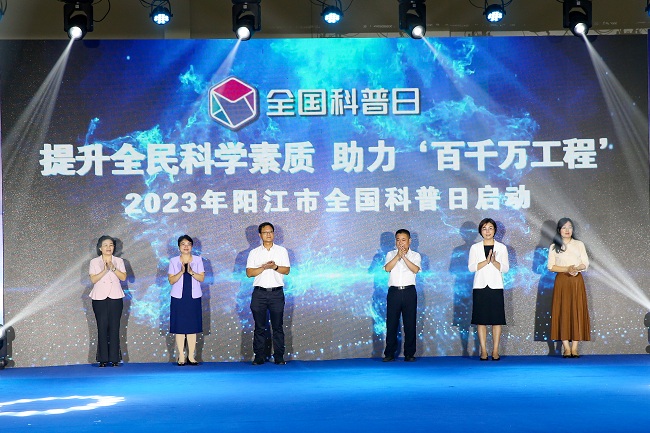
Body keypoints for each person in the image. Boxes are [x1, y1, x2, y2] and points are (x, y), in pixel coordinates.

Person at [246, 222, 290, 365]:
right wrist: (264, 268)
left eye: (271, 232)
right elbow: (249, 273)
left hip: (276, 293)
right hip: (259, 293)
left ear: (274, 233)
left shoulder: (282, 251)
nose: (268, 234)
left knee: (277, 327)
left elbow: (286, 270)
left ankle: (279, 357)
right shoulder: (254, 252)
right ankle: (259, 357)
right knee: (259, 327)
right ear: (260, 235)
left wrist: (275, 267)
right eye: (265, 232)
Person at [548, 217, 590, 358]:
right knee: (563, 312)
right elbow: (551, 266)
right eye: (564, 227)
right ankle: (566, 347)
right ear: (559, 230)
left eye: (570, 227)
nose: (567, 230)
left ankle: (575, 348)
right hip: (562, 281)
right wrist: (567, 268)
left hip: (576, 280)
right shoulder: (554, 246)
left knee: (577, 311)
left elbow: (585, 263)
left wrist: (576, 269)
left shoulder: (579, 244)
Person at [468, 218, 509, 361]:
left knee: (497, 320)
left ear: (495, 230)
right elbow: (471, 267)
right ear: (480, 231)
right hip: (480, 286)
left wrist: (494, 262)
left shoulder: (501, 248)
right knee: (481, 320)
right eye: (484, 228)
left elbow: (505, 268)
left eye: (490, 228)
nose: (487, 231)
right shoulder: (475, 248)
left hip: (496, 286)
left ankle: (495, 350)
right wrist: (486, 261)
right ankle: (484, 351)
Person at [383, 229, 421, 362]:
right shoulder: (390, 254)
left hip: (409, 292)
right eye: (398, 240)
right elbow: (387, 268)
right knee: (391, 324)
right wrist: (398, 256)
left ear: (409, 241)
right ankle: (389, 353)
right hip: (394, 292)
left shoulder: (415, 255)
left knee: (410, 323)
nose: (400, 243)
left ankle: (409, 353)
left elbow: (415, 269)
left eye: (403, 240)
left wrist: (404, 257)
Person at [89, 235, 127, 367]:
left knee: (115, 327)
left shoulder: (119, 261)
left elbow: (123, 277)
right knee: (102, 327)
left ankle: (115, 358)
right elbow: (93, 279)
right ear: (100, 248)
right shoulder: (94, 262)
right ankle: (103, 359)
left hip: (115, 296)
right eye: (105, 245)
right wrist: (105, 270)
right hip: (99, 297)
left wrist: (113, 268)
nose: (108, 247)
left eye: (111, 245)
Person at [168, 235, 205, 366]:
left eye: (188, 244)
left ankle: (191, 356)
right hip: (179, 298)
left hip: (193, 297)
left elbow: (201, 278)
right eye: (183, 244)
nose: (186, 246)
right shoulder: (173, 261)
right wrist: (181, 272)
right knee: (179, 327)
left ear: (192, 246)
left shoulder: (198, 260)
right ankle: (181, 356)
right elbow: (171, 280)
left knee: (192, 327)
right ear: (179, 247)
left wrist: (190, 272)